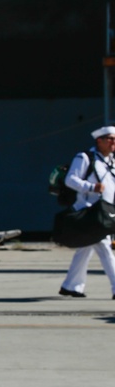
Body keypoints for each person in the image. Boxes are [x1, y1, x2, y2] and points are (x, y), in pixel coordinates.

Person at [58, 125, 115, 299]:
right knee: (104, 246)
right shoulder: (85, 157)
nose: (114, 142)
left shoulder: (111, 160)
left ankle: (71, 286)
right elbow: (71, 180)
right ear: (100, 140)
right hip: (89, 211)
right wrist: (91, 187)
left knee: (85, 248)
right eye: (111, 139)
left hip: (105, 210)